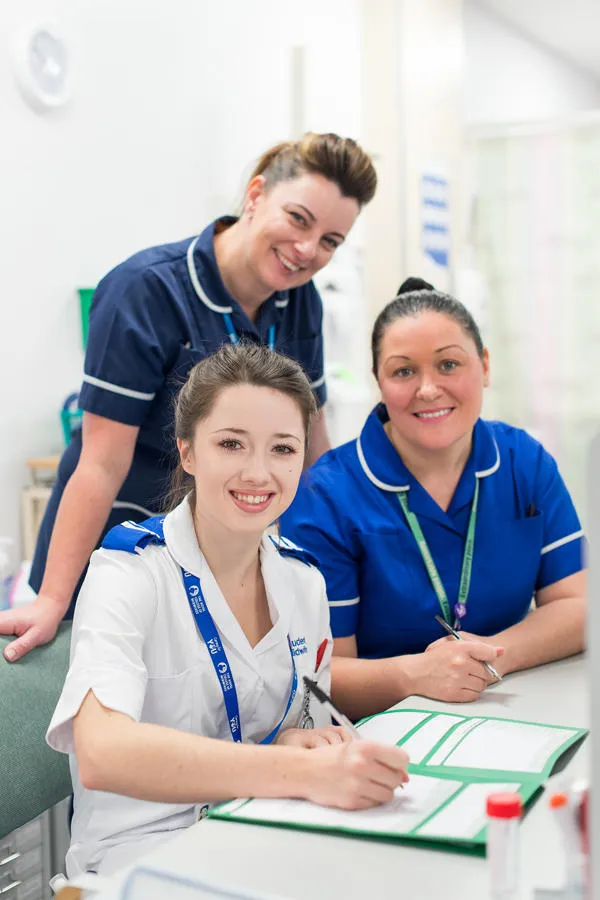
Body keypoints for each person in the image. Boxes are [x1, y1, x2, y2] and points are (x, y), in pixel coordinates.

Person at [1, 132, 377, 662]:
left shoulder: (300, 303)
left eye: (331, 241)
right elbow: (100, 462)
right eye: (298, 219)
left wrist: (353, 541)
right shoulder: (146, 291)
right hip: (121, 541)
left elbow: (312, 440)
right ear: (254, 196)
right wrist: (55, 599)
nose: (308, 250)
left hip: (224, 548)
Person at [46, 343, 410, 877]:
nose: (258, 473)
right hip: (136, 862)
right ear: (188, 452)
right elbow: (103, 753)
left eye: (283, 449)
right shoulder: (128, 571)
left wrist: (294, 741)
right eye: (232, 444)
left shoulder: (304, 581)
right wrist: (296, 770)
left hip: (261, 834)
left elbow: (289, 725)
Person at [281, 279, 585, 719]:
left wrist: (489, 658)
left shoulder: (524, 461)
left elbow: (578, 605)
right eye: (403, 371)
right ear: (379, 382)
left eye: (448, 364)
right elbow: (320, 675)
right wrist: (415, 676)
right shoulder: (324, 496)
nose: (428, 389)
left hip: (512, 707)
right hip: (377, 735)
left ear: (484, 365)